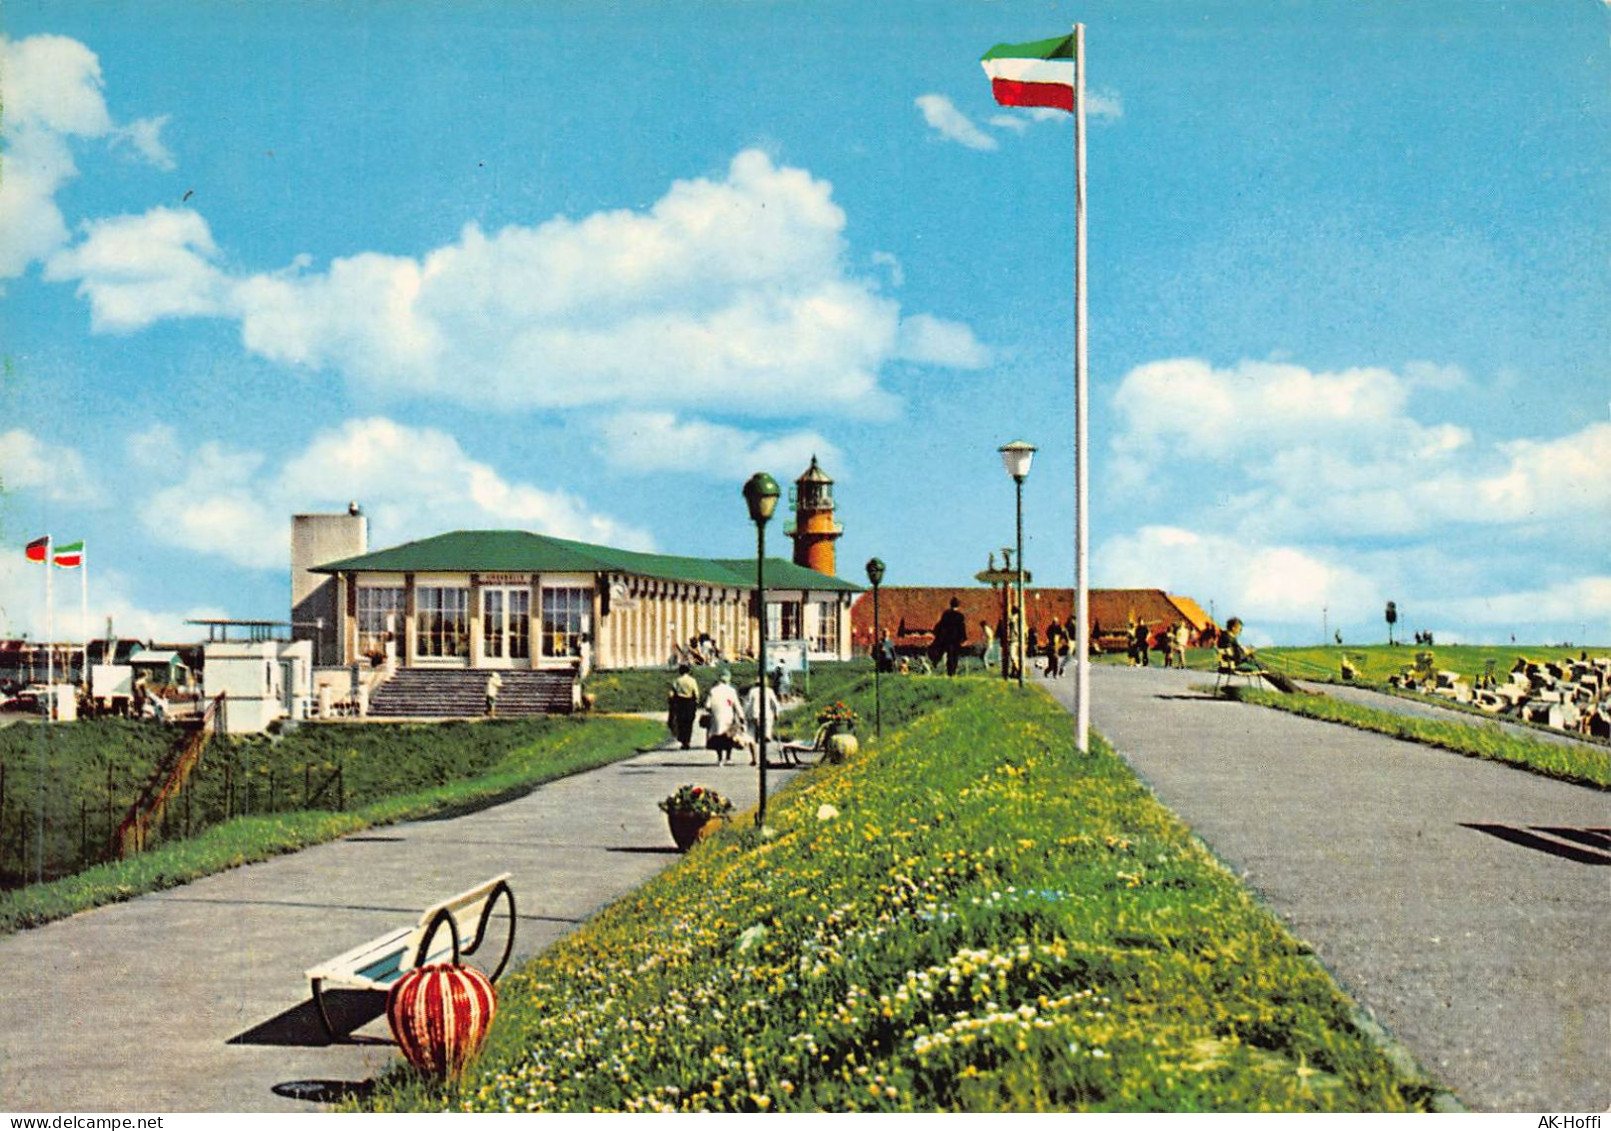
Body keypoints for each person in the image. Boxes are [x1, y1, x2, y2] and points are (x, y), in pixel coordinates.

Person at [703, 670, 746, 765]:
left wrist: (713, 710)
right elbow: (736, 705)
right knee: (729, 737)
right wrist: (741, 716)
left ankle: (719, 759)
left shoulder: (713, 690)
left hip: (716, 718)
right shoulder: (731, 691)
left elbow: (707, 706)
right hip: (728, 717)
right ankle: (728, 757)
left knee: (718, 738)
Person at [744, 677, 780, 766]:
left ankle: (754, 759)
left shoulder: (752, 691)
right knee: (764, 738)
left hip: (753, 716)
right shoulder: (769, 691)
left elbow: (747, 704)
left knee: (751, 738)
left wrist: (745, 716)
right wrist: (776, 713)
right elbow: (775, 704)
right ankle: (764, 757)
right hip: (766, 716)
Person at [931, 598, 969, 677]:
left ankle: (949, 672)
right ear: (958, 605)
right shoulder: (960, 616)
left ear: (950, 604)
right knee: (955, 656)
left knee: (949, 656)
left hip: (947, 639)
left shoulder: (946, 614)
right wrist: (964, 638)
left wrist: (938, 636)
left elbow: (941, 626)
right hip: (956, 640)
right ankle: (953, 672)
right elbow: (962, 628)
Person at [667, 663, 700, 749]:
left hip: (679, 702)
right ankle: (687, 740)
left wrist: (671, 702)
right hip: (690, 702)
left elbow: (671, 693)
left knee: (681, 722)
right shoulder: (692, 680)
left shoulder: (677, 681)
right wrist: (696, 701)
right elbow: (696, 693)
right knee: (689, 722)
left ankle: (682, 740)